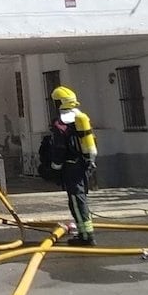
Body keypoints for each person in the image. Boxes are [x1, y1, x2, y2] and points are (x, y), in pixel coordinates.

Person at [48, 85, 98, 247]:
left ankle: (86, 236)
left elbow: (60, 148)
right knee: (80, 198)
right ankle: (85, 232)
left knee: (76, 200)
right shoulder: (80, 118)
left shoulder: (60, 125)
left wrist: (55, 166)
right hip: (83, 164)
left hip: (71, 167)